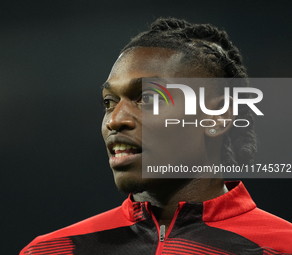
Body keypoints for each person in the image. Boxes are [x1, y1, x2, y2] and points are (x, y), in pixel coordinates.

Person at [20, 18, 292, 254]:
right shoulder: (52, 250)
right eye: (109, 102)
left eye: (147, 98)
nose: (115, 120)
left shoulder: (281, 246)